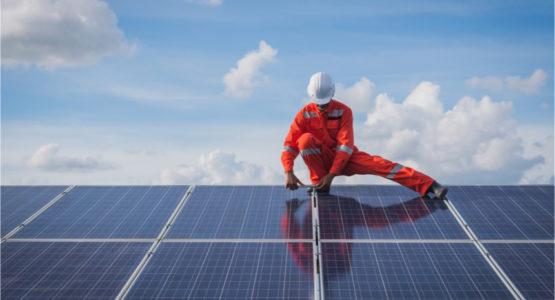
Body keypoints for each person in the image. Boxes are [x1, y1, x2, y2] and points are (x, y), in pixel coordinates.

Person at [281, 72, 448, 199]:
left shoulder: (343, 111)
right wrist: (288, 171)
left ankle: (429, 185)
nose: (322, 107)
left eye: (325, 103)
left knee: (383, 165)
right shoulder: (304, 114)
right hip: (322, 158)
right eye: (319, 103)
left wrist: (332, 174)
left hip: (345, 158)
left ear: (332, 93)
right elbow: (290, 144)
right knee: (304, 140)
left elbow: (345, 146)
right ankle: (319, 185)